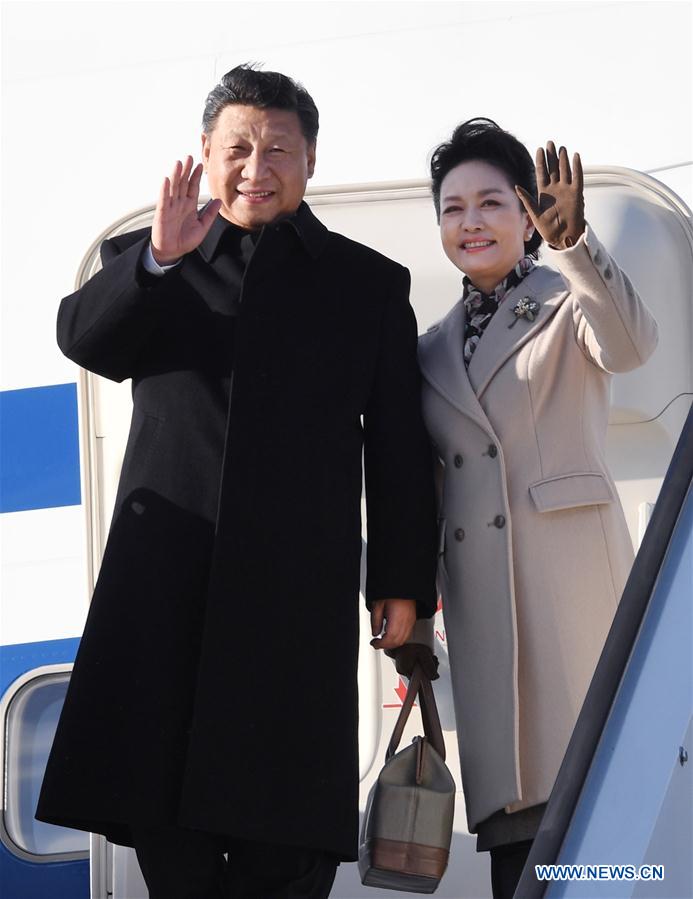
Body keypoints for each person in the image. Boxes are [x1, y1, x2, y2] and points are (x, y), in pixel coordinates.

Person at [36, 65, 438, 899]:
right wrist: (155, 259)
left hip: (292, 609)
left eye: (279, 149)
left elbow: (397, 448)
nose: (257, 166)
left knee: (287, 847)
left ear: (312, 160)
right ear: (205, 157)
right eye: (238, 148)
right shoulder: (149, 259)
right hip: (166, 597)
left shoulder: (366, 285)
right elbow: (84, 339)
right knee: (169, 835)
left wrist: (404, 585)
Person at [401, 119, 658, 899]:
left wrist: (576, 242)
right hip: (488, 633)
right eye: (452, 208)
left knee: (606, 842)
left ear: (526, 214)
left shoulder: (566, 298)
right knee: (520, 858)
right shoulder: (428, 349)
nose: (470, 221)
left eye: (490, 202)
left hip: (572, 609)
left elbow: (629, 345)